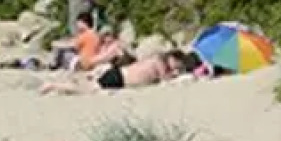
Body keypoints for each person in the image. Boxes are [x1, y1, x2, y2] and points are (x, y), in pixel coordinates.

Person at [40, 50, 195, 95]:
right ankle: (54, 86)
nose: (176, 68)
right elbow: (165, 79)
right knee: (86, 90)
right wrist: (178, 75)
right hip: (119, 77)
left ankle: (59, 86)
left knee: (88, 88)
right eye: (177, 64)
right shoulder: (159, 62)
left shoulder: (157, 60)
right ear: (172, 58)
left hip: (119, 76)